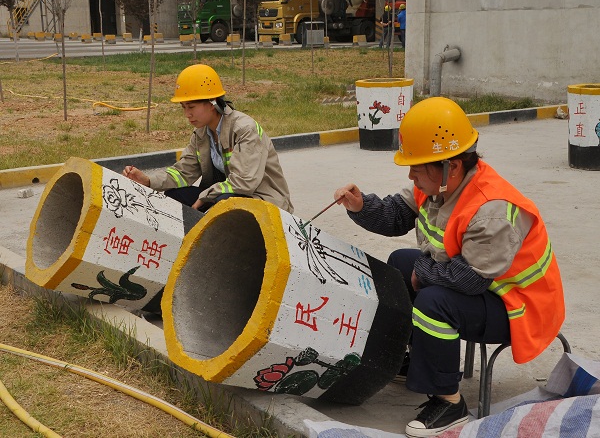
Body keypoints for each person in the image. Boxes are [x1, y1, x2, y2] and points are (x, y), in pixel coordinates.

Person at [334, 97, 565, 437]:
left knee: (433, 302)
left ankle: (450, 402)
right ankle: (410, 357)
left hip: (519, 306)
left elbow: (467, 281)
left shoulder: (491, 208)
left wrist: (423, 273)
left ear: (451, 166)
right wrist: (360, 206)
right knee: (400, 264)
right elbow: (397, 215)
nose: (411, 174)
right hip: (487, 288)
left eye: (417, 166)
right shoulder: (438, 185)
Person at [123, 64, 294, 214]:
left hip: (263, 200)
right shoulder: (201, 134)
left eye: (191, 107)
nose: (187, 114)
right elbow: (183, 173)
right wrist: (148, 180)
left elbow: (244, 182)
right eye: (183, 107)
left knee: (224, 202)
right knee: (175, 197)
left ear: (212, 103)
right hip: (224, 197)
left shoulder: (245, 129)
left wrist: (206, 196)